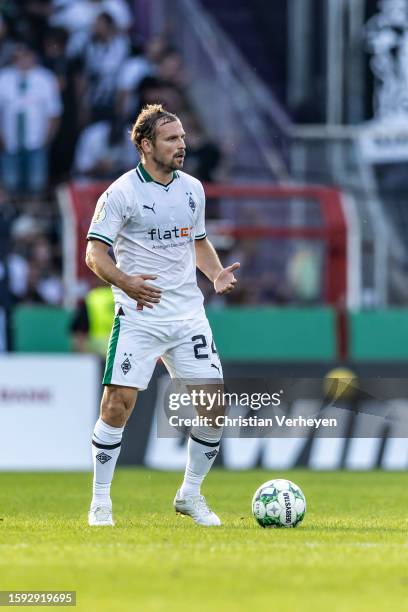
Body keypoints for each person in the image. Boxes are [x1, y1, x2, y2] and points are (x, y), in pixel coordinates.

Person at [86, 103, 240, 527]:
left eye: (183, 139)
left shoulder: (193, 188)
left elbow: (199, 241)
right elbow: (94, 253)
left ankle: (190, 495)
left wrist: (215, 274)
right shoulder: (120, 193)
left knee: (214, 407)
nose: (182, 146)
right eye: (172, 139)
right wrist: (126, 281)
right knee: (118, 405)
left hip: (188, 316)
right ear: (145, 144)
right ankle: (100, 501)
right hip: (139, 315)